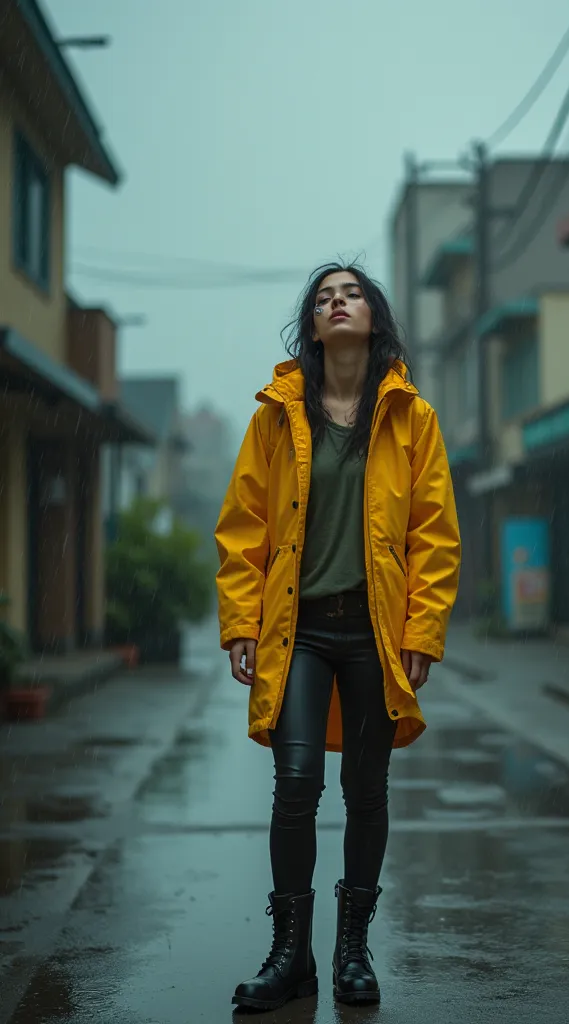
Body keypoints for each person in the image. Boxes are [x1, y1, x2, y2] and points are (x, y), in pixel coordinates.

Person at [215, 261, 461, 1011]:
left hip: (376, 636)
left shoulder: (410, 415)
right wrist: (240, 623)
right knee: (295, 786)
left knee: (366, 789)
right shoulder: (277, 415)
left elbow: (434, 535)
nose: (336, 303)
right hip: (301, 634)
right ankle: (290, 956)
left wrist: (423, 628)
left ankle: (352, 952)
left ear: (373, 315)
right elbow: (243, 528)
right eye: (323, 298)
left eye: (350, 293)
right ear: (314, 326)